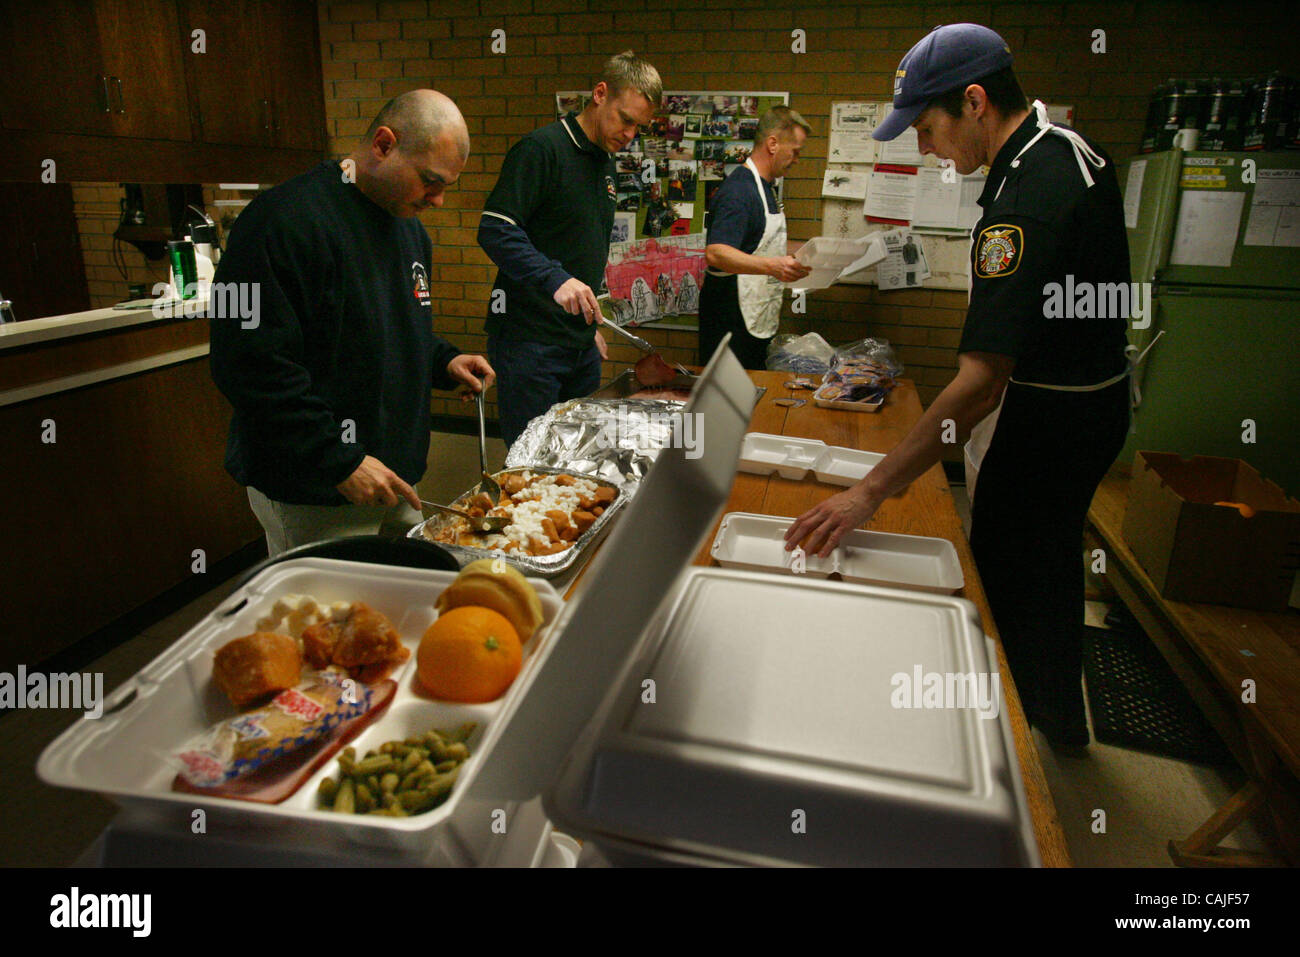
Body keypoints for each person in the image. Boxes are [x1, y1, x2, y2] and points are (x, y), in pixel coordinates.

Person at [784, 24, 1133, 751]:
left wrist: (871, 489)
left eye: (928, 128)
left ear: (974, 102)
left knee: (1001, 582)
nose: (926, 149)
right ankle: (1063, 724)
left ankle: (994, 756)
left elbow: (979, 384)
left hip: (1051, 419)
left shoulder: (1027, 197)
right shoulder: (1058, 149)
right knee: (1052, 566)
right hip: (1093, 402)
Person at [210, 90, 495, 556]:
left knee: (407, 602)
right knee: (332, 620)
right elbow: (246, 365)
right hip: (314, 488)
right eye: (430, 181)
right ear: (384, 144)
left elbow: (390, 330)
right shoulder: (280, 222)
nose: (439, 200)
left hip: (394, 479)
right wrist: (337, 461)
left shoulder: (408, 228)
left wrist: (443, 361)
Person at [478, 51, 662, 447]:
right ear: (600, 94)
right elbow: (495, 229)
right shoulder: (542, 149)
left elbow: (577, 246)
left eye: (639, 127)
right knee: (531, 460)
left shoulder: (605, 162)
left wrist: (587, 326)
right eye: (625, 119)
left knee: (575, 455)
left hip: (578, 343)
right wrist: (554, 278)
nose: (630, 134)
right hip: (530, 341)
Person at [698, 106, 813, 370]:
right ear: (773, 144)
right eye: (795, 151)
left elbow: (756, 242)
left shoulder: (765, 187)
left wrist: (813, 253)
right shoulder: (739, 191)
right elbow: (716, 252)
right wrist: (774, 266)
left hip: (755, 314)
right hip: (730, 319)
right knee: (728, 402)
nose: (797, 159)